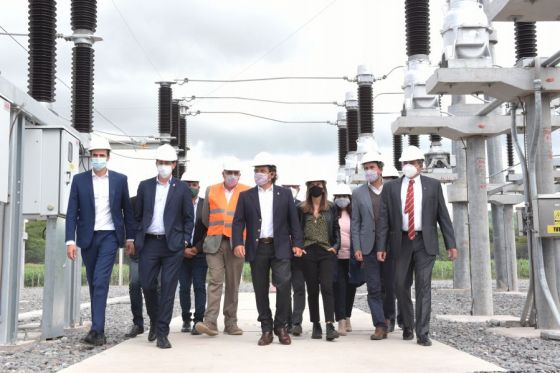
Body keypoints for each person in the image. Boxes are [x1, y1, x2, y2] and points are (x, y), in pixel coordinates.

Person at [376, 145, 458, 347]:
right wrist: (381, 246)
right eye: (404, 163)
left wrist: (451, 243)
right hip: (400, 242)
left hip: (425, 241)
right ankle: (407, 325)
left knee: (423, 287)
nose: (407, 166)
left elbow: (443, 216)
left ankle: (423, 332)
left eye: (411, 163)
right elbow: (384, 219)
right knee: (400, 285)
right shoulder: (391, 187)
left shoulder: (433, 186)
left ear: (421, 165)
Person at [65, 137, 135, 346]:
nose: (97, 159)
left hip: (110, 236)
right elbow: (71, 212)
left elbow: (127, 212)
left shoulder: (120, 180)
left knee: (100, 281)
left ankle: (98, 331)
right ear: (90, 156)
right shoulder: (79, 180)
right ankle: (97, 327)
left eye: (101, 155)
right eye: (94, 155)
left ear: (108, 157)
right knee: (93, 282)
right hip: (88, 237)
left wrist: (130, 237)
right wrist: (70, 240)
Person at [232, 153, 304, 346]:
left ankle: (281, 327)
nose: (258, 174)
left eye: (262, 171)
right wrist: (238, 242)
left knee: (283, 286)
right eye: (256, 171)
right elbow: (238, 222)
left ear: (272, 174)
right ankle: (266, 328)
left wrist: (297, 244)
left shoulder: (285, 194)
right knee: (260, 289)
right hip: (258, 248)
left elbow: (294, 222)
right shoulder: (246, 196)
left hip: (280, 247)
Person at [135, 144, 194, 349]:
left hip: (172, 246)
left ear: (174, 165)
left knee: (168, 288)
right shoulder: (145, 186)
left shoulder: (182, 188)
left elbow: (189, 217)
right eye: (161, 162)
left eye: (167, 163)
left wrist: (185, 240)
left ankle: (162, 332)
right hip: (149, 242)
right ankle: (154, 319)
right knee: (148, 285)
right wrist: (135, 238)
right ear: (156, 163)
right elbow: (137, 215)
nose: (164, 166)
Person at [195, 157, 249, 337]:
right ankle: (210, 322)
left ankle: (231, 323)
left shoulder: (247, 191)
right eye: (229, 173)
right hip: (214, 242)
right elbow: (205, 218)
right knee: (215, 281)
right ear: (223, 174)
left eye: (235, 173)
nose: (232, 176)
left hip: (236, 243)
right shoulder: (211, 190)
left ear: (239, 175)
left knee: (233, 284)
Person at [298, 176, 340, 342]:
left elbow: (336, 229)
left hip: (325, 251)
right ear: (308, 187)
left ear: (324, 186)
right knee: (313, 289)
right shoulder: (301, 209)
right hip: (308, 252)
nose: (316, 186)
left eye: (319, 183)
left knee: (327, 287)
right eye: (312, 184)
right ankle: (316, 323)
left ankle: (330, 324)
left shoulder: (331, 207)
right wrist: (300, 246)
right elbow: (298, 230)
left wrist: (335, 247)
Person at [351, 151, 387, 340]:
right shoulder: (358, 193)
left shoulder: (391, 189)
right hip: (368, 246)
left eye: (372, 167)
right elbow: (355, 222)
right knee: (373, 287)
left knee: (390, 286)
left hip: (389, 245)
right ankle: (379, 325)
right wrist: (357, 247)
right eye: (366, 168)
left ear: (380, 169)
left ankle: (389, 319)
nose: (369, 171)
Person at [178, 170, 208, 335]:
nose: (191, 187)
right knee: (183, 287)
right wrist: (182, 249)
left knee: (199, 286)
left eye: (194, 184)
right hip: (180, 253)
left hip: (200, 252)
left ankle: (198, 320)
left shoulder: (205, 205)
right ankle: (185, 319)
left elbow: (209, 230)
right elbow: (172, 228)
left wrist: (197, 248)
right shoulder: (175, 205)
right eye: (187, 184)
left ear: (199, 186)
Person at [331, 183, 357, 336]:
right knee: (339, 287)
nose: (342, 199)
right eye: (339, 197)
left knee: (351, 288)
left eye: (345, 197)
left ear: (350, 198)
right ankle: (340, 319)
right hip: (336, 257)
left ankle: (347, 316)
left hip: (352, 257)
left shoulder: (354, 213)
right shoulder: (332, 213)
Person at [281, 178, 305, 336]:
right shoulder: (276, 205)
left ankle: (296, 322)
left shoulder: (303, 207)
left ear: (299, 187)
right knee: (283, 288)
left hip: (299, 252)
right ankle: (286, 320)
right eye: (287, 186)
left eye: (293, 186)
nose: (291, 189)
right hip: (281, 251)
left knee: (298, 288)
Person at [124, 195, 145, 338]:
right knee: (134, 284)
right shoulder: (132, 202)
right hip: (137, 251)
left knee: (157, 287)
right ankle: (138, 323)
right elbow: (127, 222)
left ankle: (157, 323)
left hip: (156, 250)